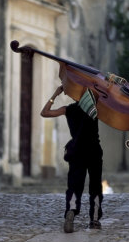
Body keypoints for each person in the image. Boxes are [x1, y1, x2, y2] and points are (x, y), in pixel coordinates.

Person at [41, 85, 103, 233]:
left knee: (75, 185)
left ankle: (71, 211)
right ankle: (94, 220)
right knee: (95, 186)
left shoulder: (68, 110)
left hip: (77, 151)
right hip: (94, 151)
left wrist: (56, 93)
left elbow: (45, 113)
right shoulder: (96, 109)